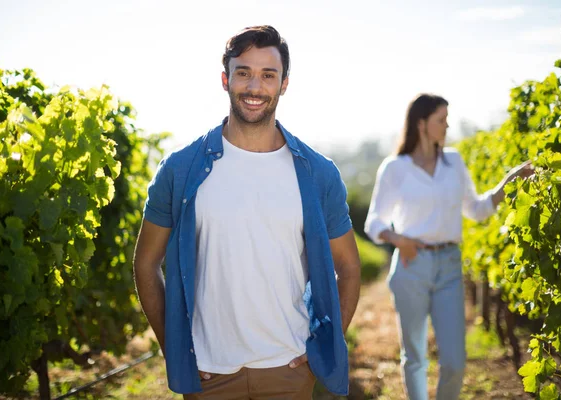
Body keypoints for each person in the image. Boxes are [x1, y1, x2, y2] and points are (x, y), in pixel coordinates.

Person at [133, 25, 361, 399]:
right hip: (209, 376)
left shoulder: (318, 174)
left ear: (284, 83)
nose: (255, 87)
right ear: (225, 79)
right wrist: (175, 349)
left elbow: (349, 268)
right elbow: (146, 265)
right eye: (244, 73)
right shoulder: (179, 169)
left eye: (268, 75)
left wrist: (319, 349)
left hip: (288, 372)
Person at [364, 93, 533, 400]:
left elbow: (477, 209)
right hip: (410, 265)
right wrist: (399, 239)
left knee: (455, 360)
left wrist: (508, 182)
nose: (447, 125)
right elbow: (373, 221)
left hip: (449, 266)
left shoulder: (453, 161)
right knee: (414, 357)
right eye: (441, 120)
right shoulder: (395, 168)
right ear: (422, 123)